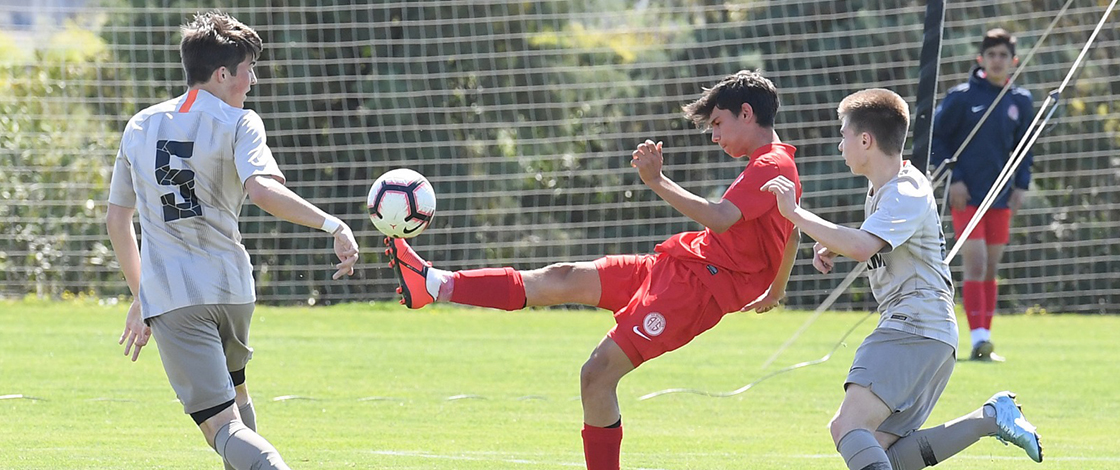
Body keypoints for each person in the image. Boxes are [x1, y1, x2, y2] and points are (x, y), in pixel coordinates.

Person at [386, 70, 801, 470]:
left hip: (694, 291)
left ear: (747, 113)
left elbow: (722, 216)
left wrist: (657, 181)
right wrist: (774, 290)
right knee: (565, 276)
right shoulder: (773, 166)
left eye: (717, 123)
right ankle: (434, 285)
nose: (714, 135)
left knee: (596, 376)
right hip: (677, 264)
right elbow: (793, 231)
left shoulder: (771, 165)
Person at [106, 11, 359, 470]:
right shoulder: (240, 123)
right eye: (248, 70)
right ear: (223, 74)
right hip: (233, 289)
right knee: (237, 394)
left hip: (177, 299)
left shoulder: (139, 125)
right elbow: (262, 190)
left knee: (221, 429)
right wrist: (332, 224)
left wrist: (142, 291)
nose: (253, 80)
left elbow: (117, 218)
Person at [762, 88, 1042, 470]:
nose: (839, 144)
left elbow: (863, 246)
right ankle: (989, 418)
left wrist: (794, 212)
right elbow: (870, 241)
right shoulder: (887, 188)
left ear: (865, 140)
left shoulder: (905, 190)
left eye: (843, 134)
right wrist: (836, 245)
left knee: (848, 427)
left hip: (913, 325)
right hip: (929, 334)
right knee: (880, 447)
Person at [929, 28, 1034, 361]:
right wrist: (955, 179)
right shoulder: (961, 97)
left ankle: (985, 338)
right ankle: (977, 339)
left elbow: (1024, 149)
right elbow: (937, 140)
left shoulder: (1021, 100)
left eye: (1003, 55)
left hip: (1001, 198)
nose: (997, 61)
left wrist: (1021, 186)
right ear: (981, 60)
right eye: (992, 55)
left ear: (1013, 61)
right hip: (967, 196)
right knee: (974, 265)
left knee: (991, 269)